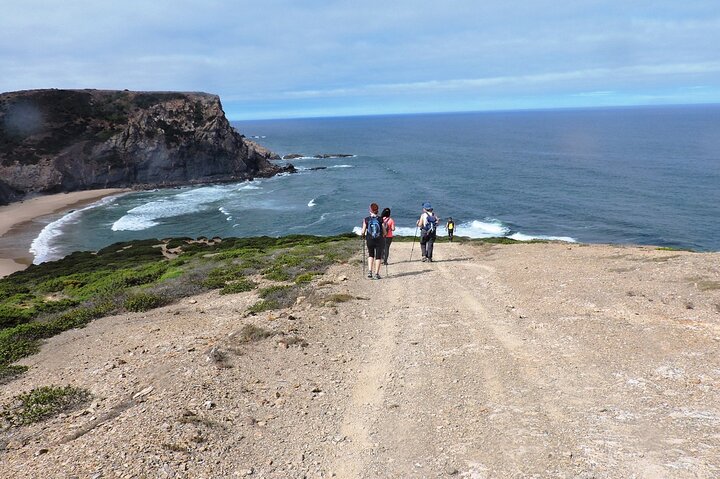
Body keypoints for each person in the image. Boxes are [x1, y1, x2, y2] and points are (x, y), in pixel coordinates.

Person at [361, 203, 387, 279]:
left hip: (370, 239)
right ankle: (376, 274)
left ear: (370, 210)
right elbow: (384, 232)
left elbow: (363, 231)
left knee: (370, 255)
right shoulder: (380, 219)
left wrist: (363, 235)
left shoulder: (366, 219)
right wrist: (384, 234)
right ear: (377, 210)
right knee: (378, 256)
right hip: (379, 240)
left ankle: (369, 272)